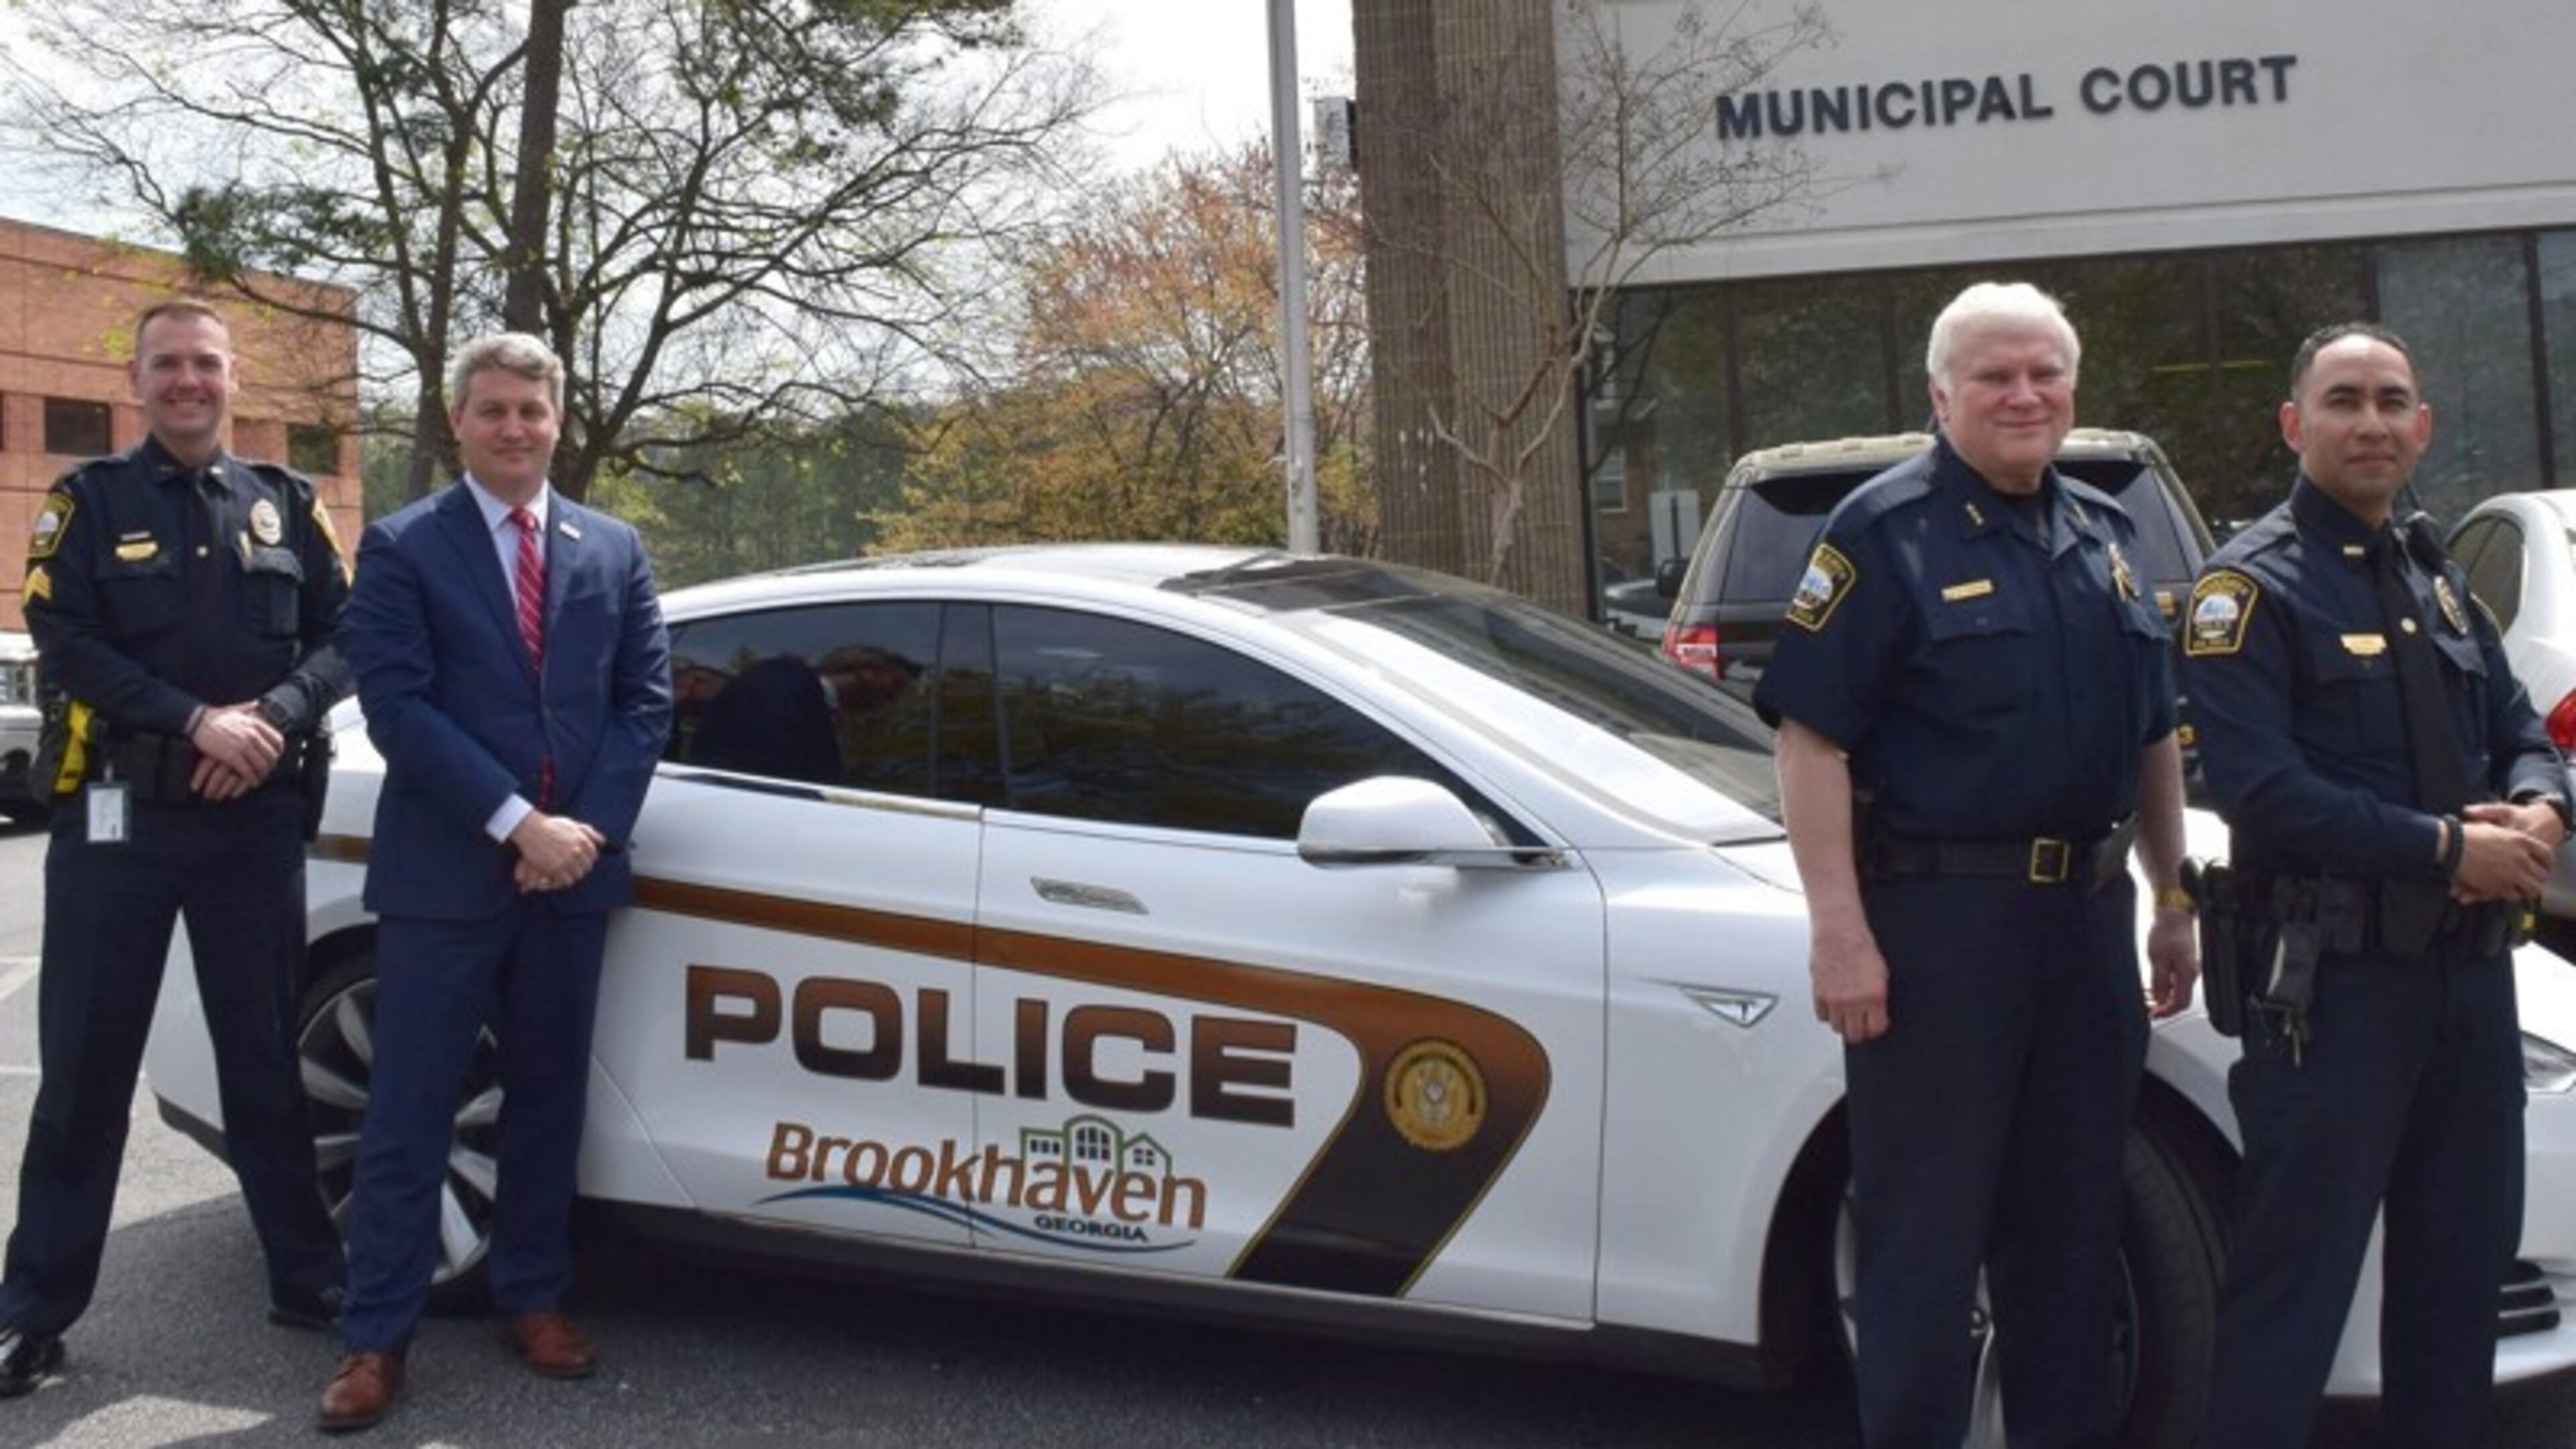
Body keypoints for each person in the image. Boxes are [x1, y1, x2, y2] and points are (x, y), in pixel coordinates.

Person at [1752, 280, 2198, 1448]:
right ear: (1941, 394)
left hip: (2088, 929)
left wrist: (2174, 896)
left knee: (2069, 1234)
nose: (2024, 394)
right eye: (1995, 376)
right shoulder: (1879, 532)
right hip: (1939, 933)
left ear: (2072, 387)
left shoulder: (2106, 535)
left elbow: (2154, 735)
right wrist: (1837, 927)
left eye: (2045, 372)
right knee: (1925, 1246)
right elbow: (1811, 742)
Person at [2184, 323, 2565, 1448]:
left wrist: (2544, 807)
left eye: (2392, 400)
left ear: (2423, 427)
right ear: (2296, 424)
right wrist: (2450, 851)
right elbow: (2264, 794)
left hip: (2467, 985)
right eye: (2343, 400)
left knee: (2456, 1292)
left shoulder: (2435, 575)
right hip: (2332, 997)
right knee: (2290, 1296)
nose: (2372, 422)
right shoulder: (2247, 590)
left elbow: (2518, 729)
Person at [318, 333, 671, 1432]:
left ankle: (532, 1295)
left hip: (568, 885)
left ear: (559, 418)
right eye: (492, 409)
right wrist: (520, 822)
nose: (513, 426)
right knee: (408, 1115)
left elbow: (643, 703)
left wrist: (581, 837)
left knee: (548, 1102)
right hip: (444, 880)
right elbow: (400, 709)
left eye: (531, 408)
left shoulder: (614, 548)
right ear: (457, 420)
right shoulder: (403, 546)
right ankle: (376, 1338)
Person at [0, 299, 352, 1396]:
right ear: (139, 382)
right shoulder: (88, 502)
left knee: (264, 1062)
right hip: (119, 819)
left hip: (250, 822)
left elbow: (349, 635)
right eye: (168, 365)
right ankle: (34, 1312)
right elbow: (67, 638)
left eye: (205, 362)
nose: (189, 381)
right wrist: (199, 721)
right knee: (85, 1073)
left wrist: (278, 719)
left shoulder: (288, 504)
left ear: (232, 377)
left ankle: (308, 1279)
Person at [690, 645, 921, 784]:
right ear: (867, 671)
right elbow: (778, 767)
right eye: (896, 685)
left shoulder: (816, 707)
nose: (893, 698)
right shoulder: (781, 686)